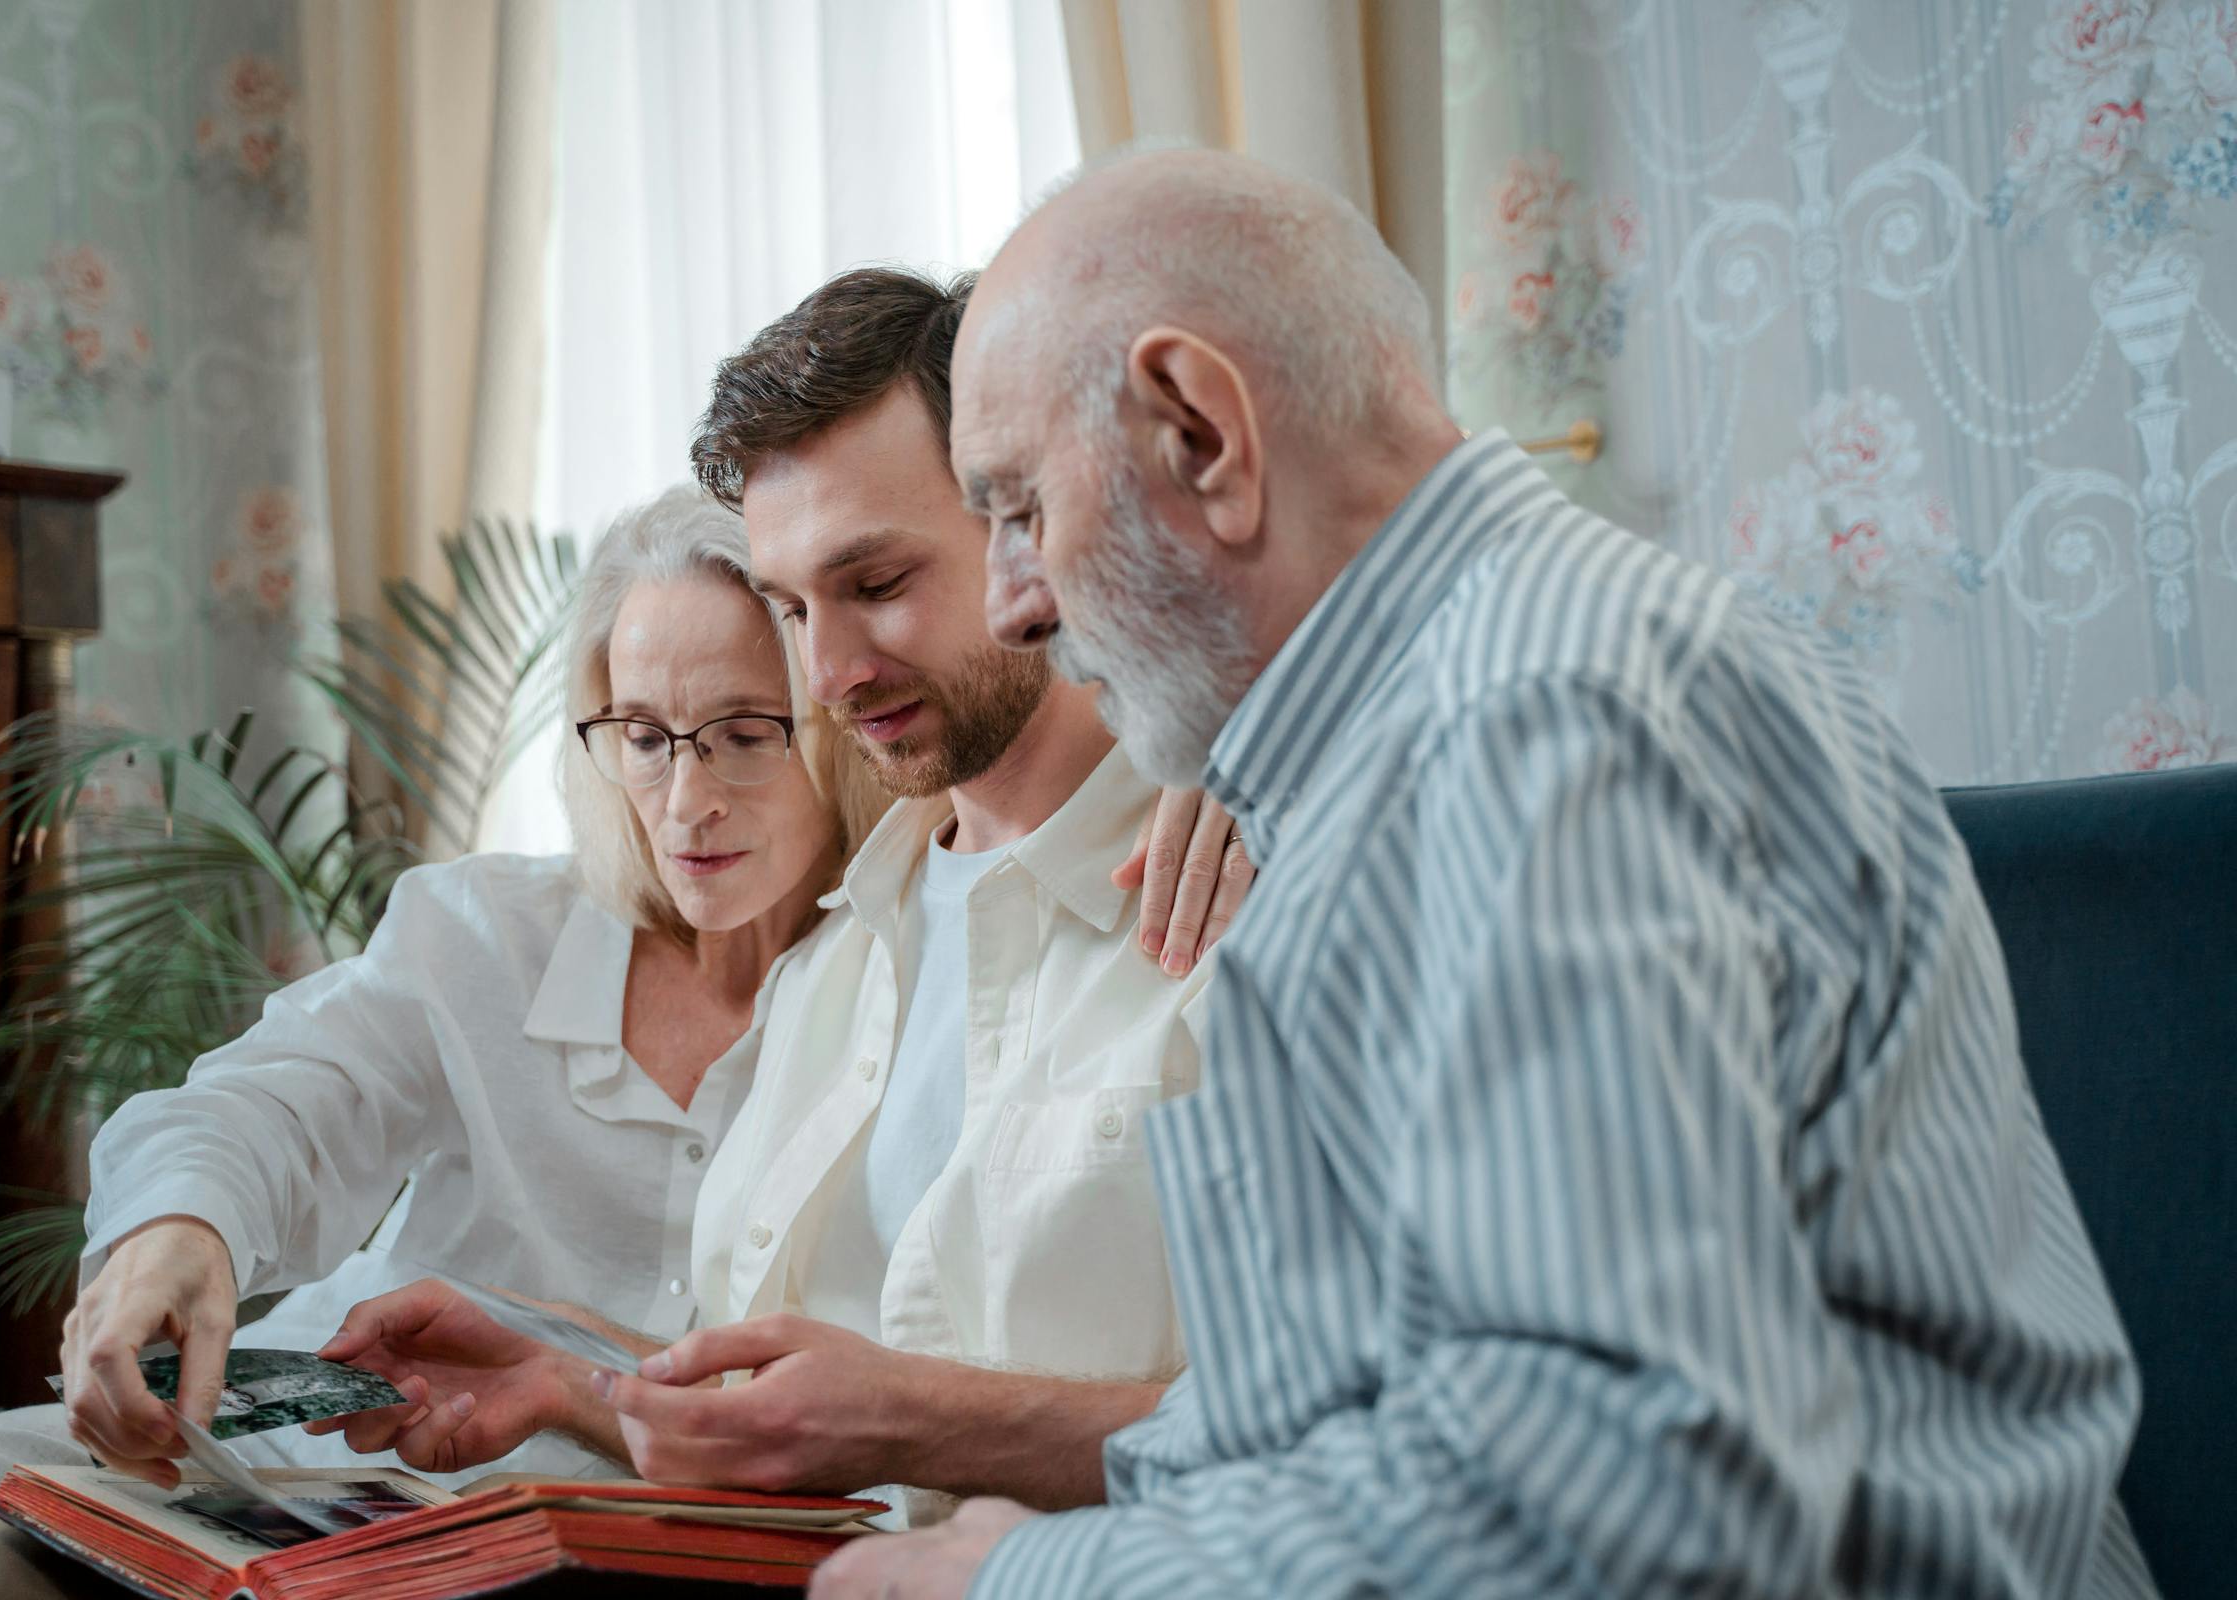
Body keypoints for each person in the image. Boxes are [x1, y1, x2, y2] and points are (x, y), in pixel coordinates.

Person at [814, 149, 2156, 1599]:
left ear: (1202, 431)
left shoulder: (1531, 726)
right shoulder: (1442, 727)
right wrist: (1078, 1524)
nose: (1014, 603)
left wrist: (1019, 1590)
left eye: (1017, 508)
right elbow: (1396, 1395)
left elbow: (1614, 1506)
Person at [0, 476, 1232, 1597]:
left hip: (605, 1506)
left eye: (746, 732)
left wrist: (1222, 760)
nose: (684, 800)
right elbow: (269, 1103)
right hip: (339, 1444)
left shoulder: (898, 970)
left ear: (838, 719)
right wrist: (179, 1230)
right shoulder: (486, 933)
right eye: (642, 734)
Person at [316, 266, 1248, 1522]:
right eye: (795, 606)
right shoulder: (839, 964)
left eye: (875, 584)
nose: (832, 671)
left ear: (1044, 524)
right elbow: (800, 1420)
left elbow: (1386, 1432)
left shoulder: (1244, 880)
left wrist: (920, 1420)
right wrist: (567, 1379)